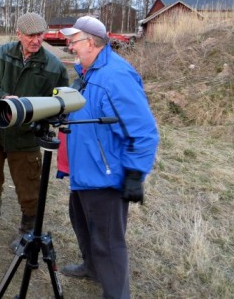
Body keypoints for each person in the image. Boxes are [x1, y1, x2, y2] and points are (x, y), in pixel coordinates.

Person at [58, 16, 159, 298]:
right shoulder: (88, 74)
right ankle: (92, 268)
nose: (69, 45)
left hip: (105, 178)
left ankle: (116, 293)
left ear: (91, 42)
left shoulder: (115, 77)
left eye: (73, 40)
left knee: (109, 244)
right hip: (84, 174)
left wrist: (135, 174)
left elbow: (143, 131)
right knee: (81, 224)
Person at [0, 12, 69, 252]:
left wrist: (45, 116)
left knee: (28, 187)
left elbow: (61, 101)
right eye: (31, 35)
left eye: (41, 35)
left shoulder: (53, 67)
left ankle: (27, 232)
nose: (37, 40)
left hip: (26, 137)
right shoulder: (2, 54)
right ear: (18, 34)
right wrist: (2, 97)